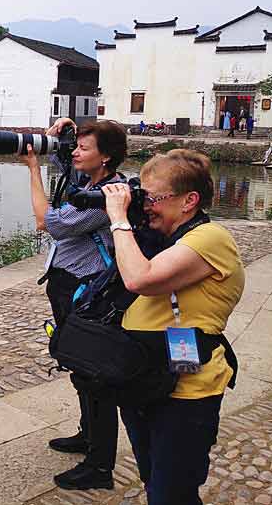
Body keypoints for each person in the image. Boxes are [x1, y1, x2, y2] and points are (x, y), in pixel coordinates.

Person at [102, 149, 243, 505]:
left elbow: (140, 279)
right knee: (154, 481)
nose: (146, 205)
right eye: (144, 196)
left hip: (186, 393)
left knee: (172, 493)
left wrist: (118, 218)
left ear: (189, 201)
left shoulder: (210, 238)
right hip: (147, 379)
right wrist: (131, 220)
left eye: (153, 198)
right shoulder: (163, 238)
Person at [24, 117, 129, 490]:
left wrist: (33, 169)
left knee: (94, 374)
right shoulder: (90, 181)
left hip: (89, 293)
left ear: (107, 157)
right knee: (78, 367)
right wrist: (61, 136)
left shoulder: (106, 197)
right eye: (77, 146)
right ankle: (88, 435)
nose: (76, 153)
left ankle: (100, 466)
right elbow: (67, 168)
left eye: (84, 147)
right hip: (70, 286)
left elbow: (45, 221)